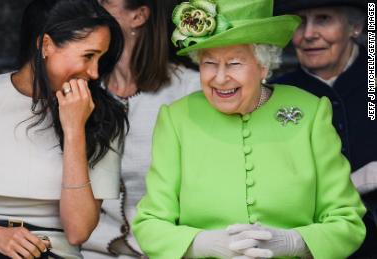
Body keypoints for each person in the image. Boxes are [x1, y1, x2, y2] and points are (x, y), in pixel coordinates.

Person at [132, 0, 366, 258]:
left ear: (263, 65)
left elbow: (347, 220)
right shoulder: (177, 118)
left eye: (234, 64)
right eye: (209, 63)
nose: (220, 78)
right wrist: (201, 244)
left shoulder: (311, 111)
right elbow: (149, 224)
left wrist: (295, 242)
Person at [0, 0, 127, 258]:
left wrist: (75, 129)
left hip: (53, 251)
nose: (95, 72)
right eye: (88, 56)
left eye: (101, 58)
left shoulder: (104, 116)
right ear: (45, 45)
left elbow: (78, 231)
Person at [81, 0, 200, 257]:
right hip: (92, 249)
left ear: (139, 16)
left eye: (105, 2)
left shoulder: (190, 90)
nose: (93, 7)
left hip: (166, 250)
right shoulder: (85, 89)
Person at [272, 0, 377, 257]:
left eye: (324, 19)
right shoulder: (273, 94)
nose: (308, 34)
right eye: (300, 23)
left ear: (355, 26)